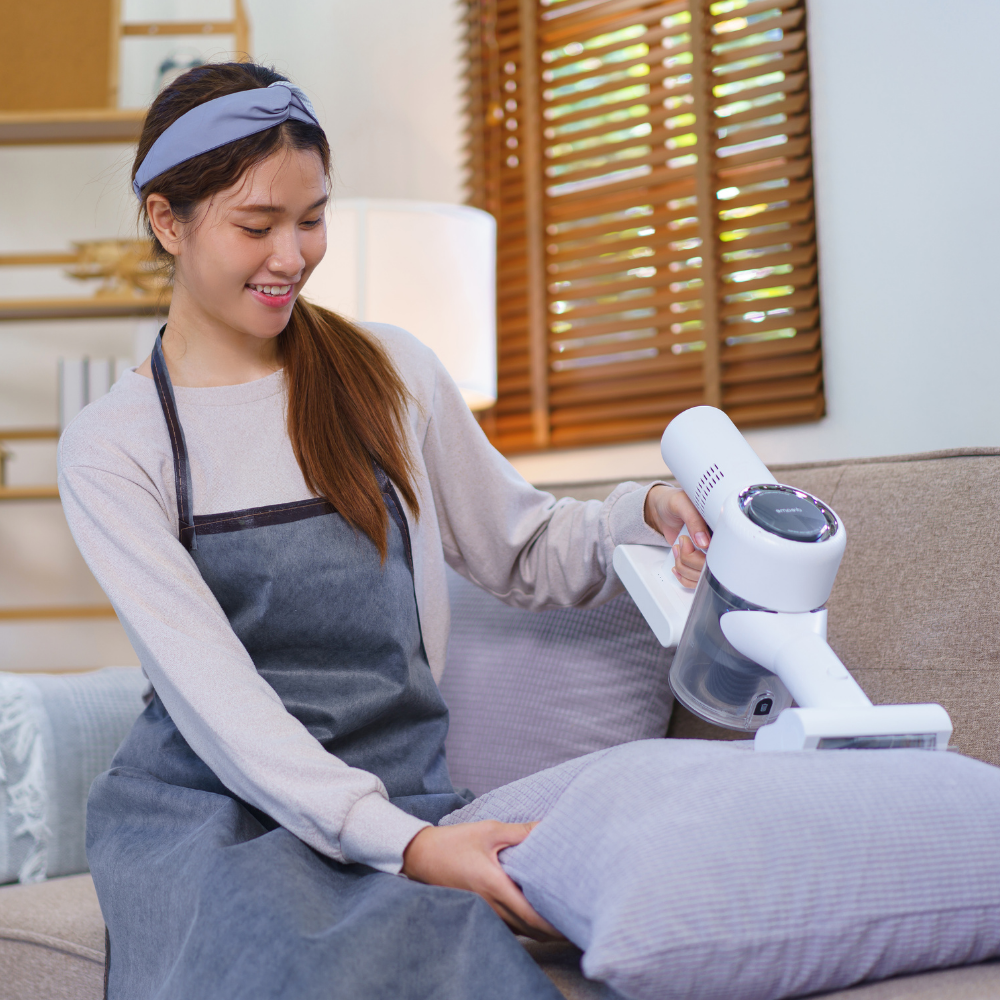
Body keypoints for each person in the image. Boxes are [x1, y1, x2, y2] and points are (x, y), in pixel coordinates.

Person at [58, 62, 710, 1000]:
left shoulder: (388, 373)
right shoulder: (115, 448)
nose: (292, 256)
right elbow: (221, 704)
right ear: (168, 221)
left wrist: (640, 513)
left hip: (397, 785)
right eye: (256, 226)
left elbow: (521, 549)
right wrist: (409, 848)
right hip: (210, 808)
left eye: (312, 218)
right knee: (267, 963)